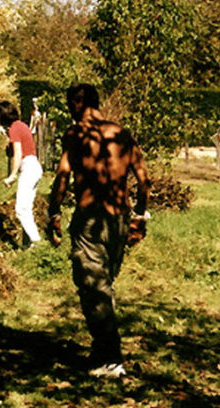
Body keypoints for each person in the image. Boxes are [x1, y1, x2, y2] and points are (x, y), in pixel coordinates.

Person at [47, 83, 150, 378]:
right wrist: (139, 217)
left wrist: (53, 212)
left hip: (90, 219)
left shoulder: (76, 134)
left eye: (70, 104)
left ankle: (111, 358)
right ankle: (102, 348)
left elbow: (63, 176)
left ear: (77, 104)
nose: (70, 110)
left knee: (93, 289)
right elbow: (143, 180)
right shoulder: (122, 134)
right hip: (119, 219)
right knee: (104, 285)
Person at [0, 101, 43, 248]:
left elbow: (18, 153)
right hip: (34, 166)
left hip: (28, 167)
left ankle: (37, 243)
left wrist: (12, 175)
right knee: (26, 208)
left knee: (21, 209)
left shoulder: (14, 128)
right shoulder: (22, 125)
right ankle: (28, 245)